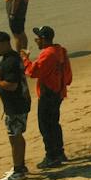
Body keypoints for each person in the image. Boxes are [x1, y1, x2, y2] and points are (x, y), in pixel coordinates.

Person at [0, 31, 31, 180]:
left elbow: (11, 85)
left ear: (5, 43)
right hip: (19, 103)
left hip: (16, 105)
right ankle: (20, 166)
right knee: (16, 136)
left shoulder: (9, 62)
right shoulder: (12, 58)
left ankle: (18, 170)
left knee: (15, 137)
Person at [24, 26, 72, 168]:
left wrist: (25, 59)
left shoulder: (48, 53)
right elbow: (67, 73)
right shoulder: (60, 50)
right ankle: (59, 152)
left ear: (44, 39)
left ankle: (51, 156)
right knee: (54, 124)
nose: (36, 41)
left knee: (45, 126)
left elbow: (33, 72)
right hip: (58, 91)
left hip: (49, 93)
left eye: (37, 39)